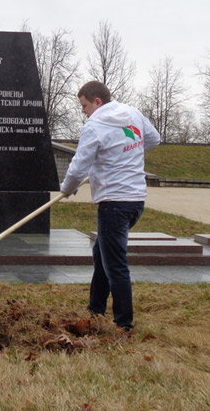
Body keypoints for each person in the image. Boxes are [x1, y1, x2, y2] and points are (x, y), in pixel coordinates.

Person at [60, 81, 160, 332]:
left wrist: (67, 189)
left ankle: (123, 324)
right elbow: (153, 138)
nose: (83, 111)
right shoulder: (133, 113)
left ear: (97, 102)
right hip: (136, 200)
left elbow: (78, 166)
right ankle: (95, 309)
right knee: (102, 254)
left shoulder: (94, 126)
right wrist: (125, 154)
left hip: (114, 203)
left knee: (115, 263)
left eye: (84, 105)